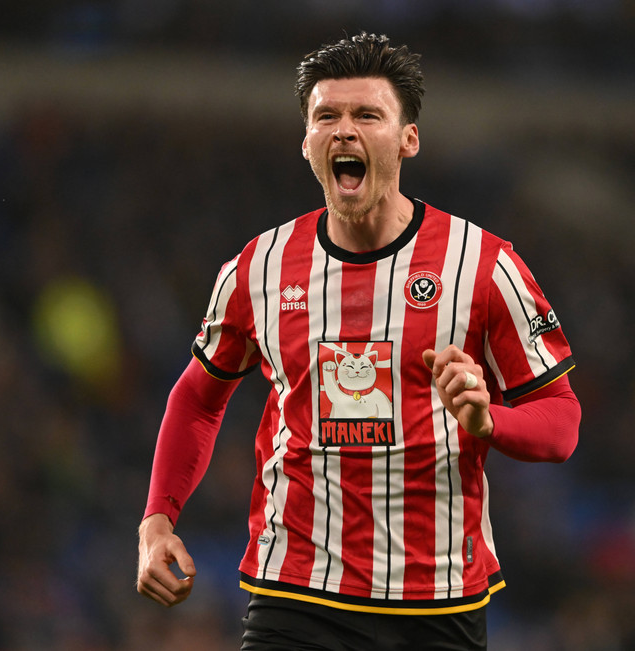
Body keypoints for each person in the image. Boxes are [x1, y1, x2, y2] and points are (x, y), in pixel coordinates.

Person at [136, 32, 581, 651]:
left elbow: (561, 423)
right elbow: (198, 397)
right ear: (307, 143)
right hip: (295, 595)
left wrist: (488, 421)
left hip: (437, 602)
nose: (344, 131)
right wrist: (157, 520)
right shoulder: (257, 268)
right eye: (327, 117)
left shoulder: (482, 264)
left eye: (367, 115)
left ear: (408, 139)